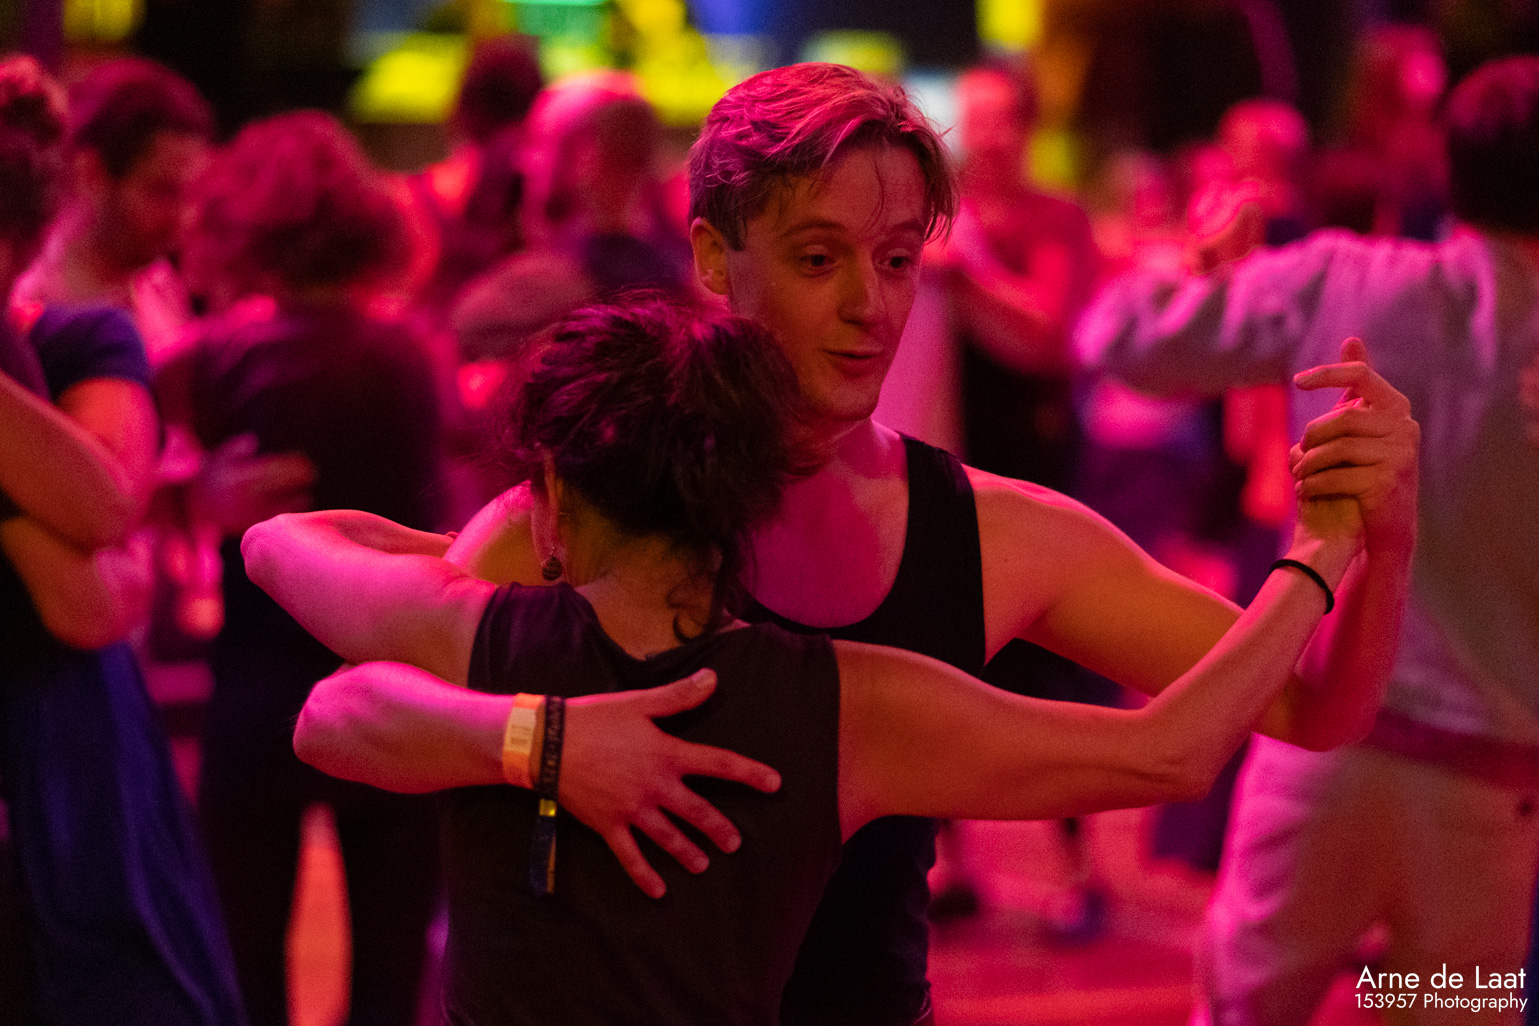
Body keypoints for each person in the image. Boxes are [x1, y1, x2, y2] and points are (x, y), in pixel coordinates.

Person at [440, 62, 1418, 1026]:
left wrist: (1383, 535)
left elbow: (1318, 706)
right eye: (818, 259)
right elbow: (377, 706)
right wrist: (537, 743)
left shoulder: (986, 531)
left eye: (898, 260)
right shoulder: (594, 511)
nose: (870, 305)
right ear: (712, 257)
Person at [246, 295, 1394, 1024]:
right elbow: (1171, 753)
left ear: (553, 497)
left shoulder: (487, 631)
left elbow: (281, 557)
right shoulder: (843, 705)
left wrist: (527, 720)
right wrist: (1323, 552)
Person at [1078, 53, 1539, 1026]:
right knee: (1448, 1014)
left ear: (1450, 165)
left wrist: (1197, 260)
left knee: (1247, 1011)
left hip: (1320, 758)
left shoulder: (1345, 279)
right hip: (1489, 791)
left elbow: (1118, 338)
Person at [159, 111, 444, 1026]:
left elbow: (148, 468)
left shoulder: (214, 355)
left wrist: (189, 493)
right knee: (387, 984)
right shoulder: (408, 355)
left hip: (255, 694)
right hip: (394, 687)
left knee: (245, 976)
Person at [0, 55, 245, 1024]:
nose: (180, 221)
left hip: (73, 719)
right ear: (85, 177)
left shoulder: (114, 320)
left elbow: (105, 543)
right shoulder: (61, 323)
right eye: (162, 190)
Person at [13, 57, 213, 356]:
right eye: (162, 191)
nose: (184, 218)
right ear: (91, 173)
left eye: (190, 195)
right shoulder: (28, 299)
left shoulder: (159, 284)